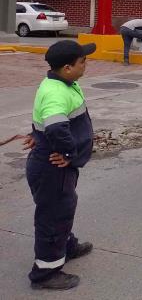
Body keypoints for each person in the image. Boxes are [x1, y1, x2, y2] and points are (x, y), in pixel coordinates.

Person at [26, 40, 97, 290]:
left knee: (64, 207)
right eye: (82, 62)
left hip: (55, 164)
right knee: (53, 215)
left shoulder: (60, 83)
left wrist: (36, 134)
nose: (86, 64)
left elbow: (45, 118)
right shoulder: (57, 91)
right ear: (67, 68)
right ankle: (45, 273)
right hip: (52, 166)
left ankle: (66, 246)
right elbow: (56, 127)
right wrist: (68, 153)